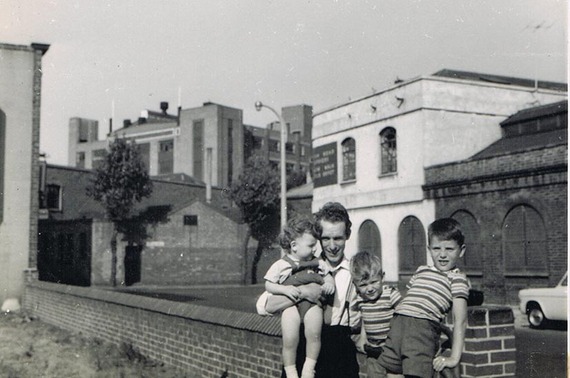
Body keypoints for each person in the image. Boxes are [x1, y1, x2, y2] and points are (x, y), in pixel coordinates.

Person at [257, 202, 361, 378]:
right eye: (326, 239)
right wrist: (305, 291)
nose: (332, 246)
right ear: (318, 238)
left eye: (338, 238)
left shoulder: (355, 272)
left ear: (348, 235)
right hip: (303, 353)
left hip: (340, 355)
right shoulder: (299, 267)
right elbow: (265, 306)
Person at [379, 218, 470, 378]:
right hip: (398, 325)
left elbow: (460, 319)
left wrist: (455, 357)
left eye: (449, 249)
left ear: (461, 250)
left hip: (422, 328)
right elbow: (407, 300)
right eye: (436, 248)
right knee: (392, 371)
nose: (442, 255)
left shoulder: (457, 278)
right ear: (429, 249)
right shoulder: (421, 270)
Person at [264, 217, 335, 378]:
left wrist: (329, 282)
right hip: (291, 306)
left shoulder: (318, 262)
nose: (314, 250)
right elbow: (269, 285)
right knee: (289, 339)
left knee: (314, 334)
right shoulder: (282, 264)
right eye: (311, 246)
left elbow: (328, 275)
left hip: (312, 305)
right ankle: (291, 372)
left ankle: (309, 368)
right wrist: (284, 289)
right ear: (294, 246)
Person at [350, 251, 401, 378]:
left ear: (382, 277)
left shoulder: (390, 295)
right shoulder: (362, 299)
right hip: (373, 352)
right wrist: (363, 337)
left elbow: (405, 316)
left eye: (374, 282)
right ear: (355, 285)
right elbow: (365, 319)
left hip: (392, 351)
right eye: (363, 285)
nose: (370, 288)